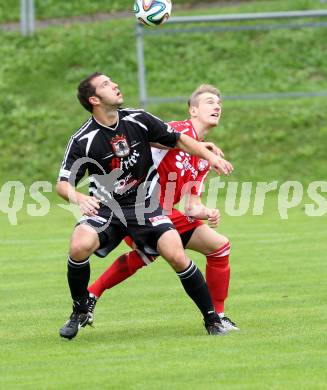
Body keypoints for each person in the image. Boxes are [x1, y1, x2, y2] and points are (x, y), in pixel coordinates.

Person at [57, 72, 233, 340]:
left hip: (146, 207)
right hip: (108, 208)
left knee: (173, 253)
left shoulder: (138, 118)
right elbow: (62, 184)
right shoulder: (83, 139)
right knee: (79, 244)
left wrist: (207, 155)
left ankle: (213, 320)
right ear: (94, 99)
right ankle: (81, 308)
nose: (115, 84)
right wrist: (79, 198)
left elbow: (174, 141)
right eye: (106, 84)